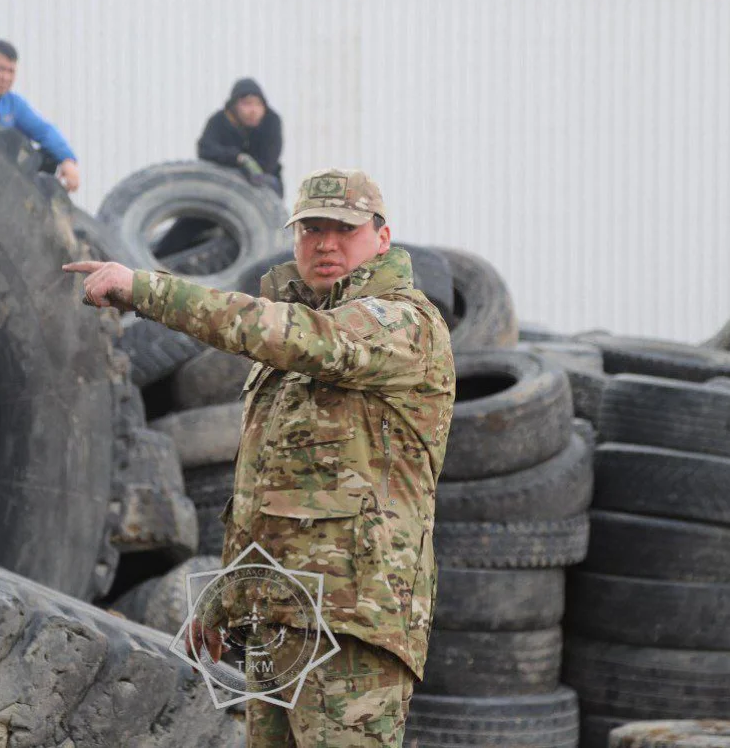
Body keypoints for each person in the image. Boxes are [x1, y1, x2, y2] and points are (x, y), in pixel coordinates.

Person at [65, 168, 455, 747]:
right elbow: (268, 491)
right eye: (310, 229)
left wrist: (146, 290)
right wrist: (225, 599)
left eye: (342, 229)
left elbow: (295, 334)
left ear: (382, 237)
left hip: (351, 625)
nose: (324, 243)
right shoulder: (293, 344)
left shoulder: (401, 323)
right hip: (279, 621)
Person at [0, 39, 81, 192]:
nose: (5, 77)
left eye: (10, 71)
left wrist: (68, 160)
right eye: (0, 69)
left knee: (48, 158)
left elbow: (44, 131)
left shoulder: (12, 103)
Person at [198, 78, 284, 196]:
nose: (253, 110)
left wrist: (249, 166)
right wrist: (237, 158)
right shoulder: (219, 121)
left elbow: (269, 161)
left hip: (263, 182)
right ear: (234, 105)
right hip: (224, 181)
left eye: (258, 104)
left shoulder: (271, 121)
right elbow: (205, 149)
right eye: (247, 104)